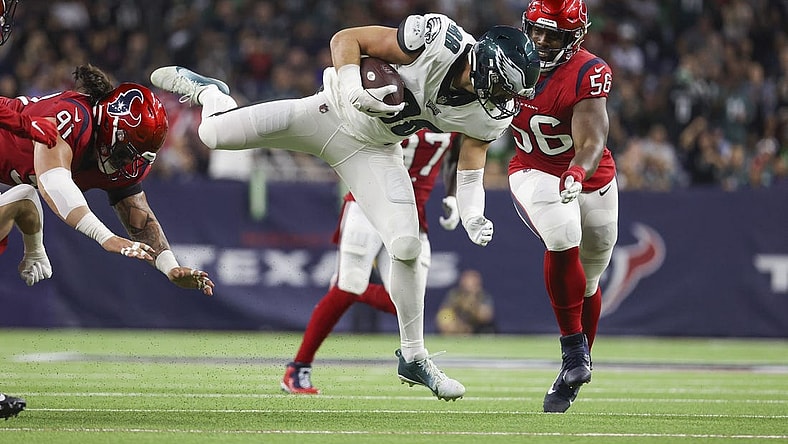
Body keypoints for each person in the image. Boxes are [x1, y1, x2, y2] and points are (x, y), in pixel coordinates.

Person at [150, 14, 540, 400]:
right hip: (329, 112)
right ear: (489, 68)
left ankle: (414, 356)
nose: (506, 100)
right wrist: (354, 86)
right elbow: (346, 38)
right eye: (505, 88)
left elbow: (471, 167)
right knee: (213, 133)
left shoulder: (489, 113)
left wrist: (472, 211)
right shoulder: (439, 40)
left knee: (407, 244)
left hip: (373, 150)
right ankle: (212, 94)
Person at [0, 63, 216, 297]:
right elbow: (53, 182)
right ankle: (19, 204)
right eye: (126, 153)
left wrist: (169, 266)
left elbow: (140, 220)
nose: (128, 164)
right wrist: (106, 238)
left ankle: (19, 204)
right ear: (110, 127)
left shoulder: (120, 160)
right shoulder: (73, 116)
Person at [281, 130, 462, 395]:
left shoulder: (454, 110)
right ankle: (298, 368)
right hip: (367, 204)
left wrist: (452, 195)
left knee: (408, 302)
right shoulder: (397, 98)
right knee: (350, 283)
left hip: (412, 215)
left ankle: (351, 293)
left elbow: (459, 155)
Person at [509, 0, 618, 413]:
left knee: (589, 279)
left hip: (589, 175)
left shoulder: (590, 72)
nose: (540, 41)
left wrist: (576, 171)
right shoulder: (505, 58)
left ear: (575, 36)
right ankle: (573, 351)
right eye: (536, 30)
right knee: (562, 233)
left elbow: (592, 140)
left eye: (552, 34)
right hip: (533, 169)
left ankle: (573, 370)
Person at [436, 269, 495, 335]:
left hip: (476, 327)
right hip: (457, 325)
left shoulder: (483, 296)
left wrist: (473, 304)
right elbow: (444, 313)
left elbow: (486, 317)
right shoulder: (455, 295)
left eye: (472, 283)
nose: (469, 285)